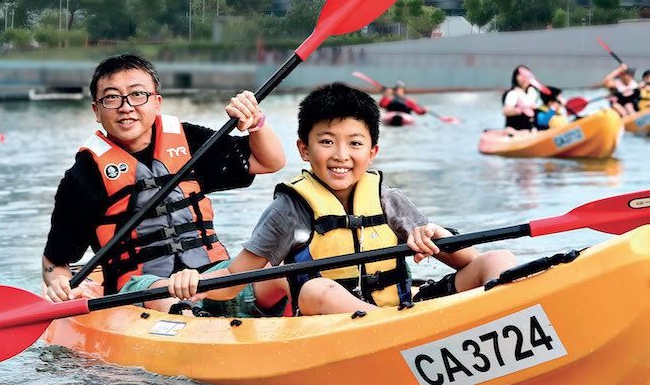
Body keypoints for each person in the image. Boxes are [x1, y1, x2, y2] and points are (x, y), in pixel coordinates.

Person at [167, 83, 517, 316]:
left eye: (354, 143)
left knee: (499, 258)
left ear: (372, 151)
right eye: (327, 141)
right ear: (304, 150)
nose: (341, 155)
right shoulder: (288, 210)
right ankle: (387, 330)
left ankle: (505, 324)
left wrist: (437, 234)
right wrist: (195, 286)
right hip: (336, 326)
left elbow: (468, 262)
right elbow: (233, 277)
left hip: (404, 311)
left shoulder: (389, 200)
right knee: (317, 289)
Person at [42, 54, 287, 315]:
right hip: (140, 288)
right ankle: (194, 324)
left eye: (138, 95)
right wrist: (58, 283)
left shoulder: (189, 141)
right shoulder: (84, 176)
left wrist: (255, 122)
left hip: (212, 277)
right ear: (97, 111)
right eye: (112, 98)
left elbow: (269, 162)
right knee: (164, 295)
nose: (126, 107)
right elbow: (54, 261)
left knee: (281, 271)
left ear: (157, 103)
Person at [502, 65, 539, 133]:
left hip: (531, 129)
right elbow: (506, 111)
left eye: (526, 76)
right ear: (515, 78)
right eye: (520, 75)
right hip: (515, 131)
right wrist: (522, 109)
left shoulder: (532, 92)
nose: (524, 78)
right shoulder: (513, 93)